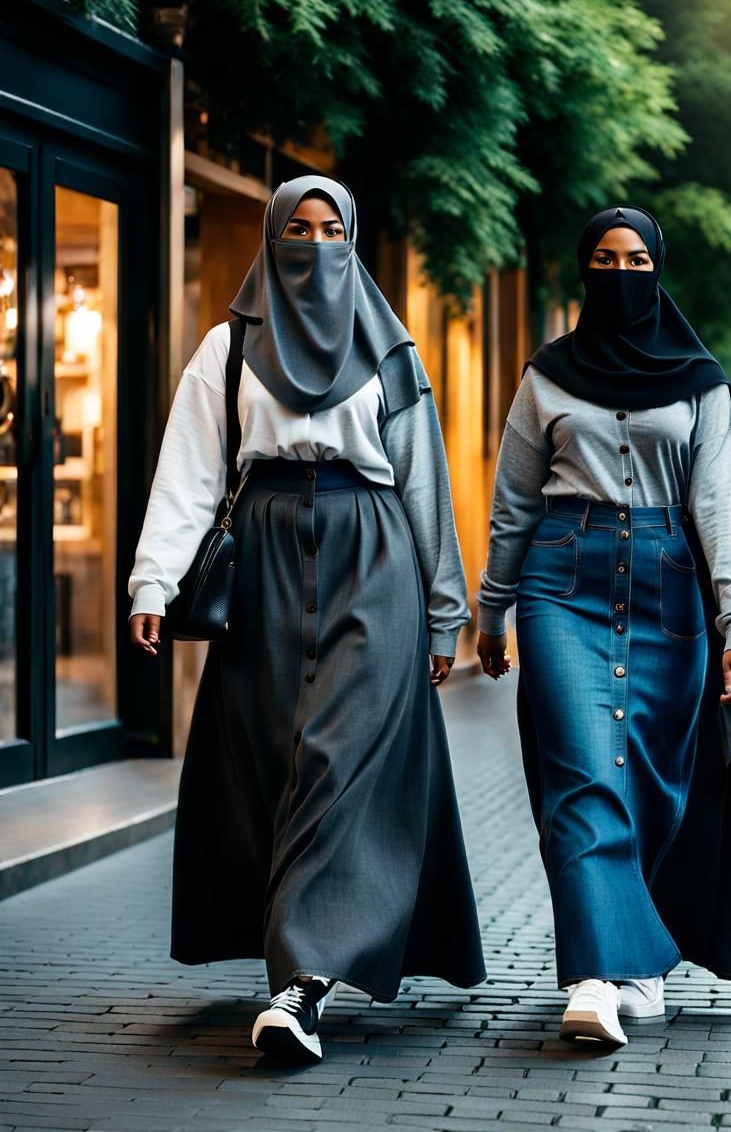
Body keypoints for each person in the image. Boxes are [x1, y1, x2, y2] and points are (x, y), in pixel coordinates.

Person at [128, 175, 485, 1064]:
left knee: (342, 758)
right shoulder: (229, 344)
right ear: (271, 236)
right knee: (278, 763)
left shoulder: (393, 348)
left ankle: (301, 983)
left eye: (333, 231)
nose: (316, 245)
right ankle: (304, 958)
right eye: (299, 229)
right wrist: (151, 584)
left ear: (353, 242)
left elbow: (426, 488)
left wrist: (447, 616)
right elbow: (189, 471)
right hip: (264, 561)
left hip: (374, 560)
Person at [477, 206, 731, 1049]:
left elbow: (718, 506)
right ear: (583, 270)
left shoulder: (701, 381)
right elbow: (514, 499)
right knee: (581, 769)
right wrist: (492, 609)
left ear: (659, 269)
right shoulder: (549, 376)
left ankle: (640, 960)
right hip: (564, 575)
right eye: (605, 257)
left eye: (637, 259)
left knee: (656, 777)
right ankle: (595, 976)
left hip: (673, 584)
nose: (622, 271)